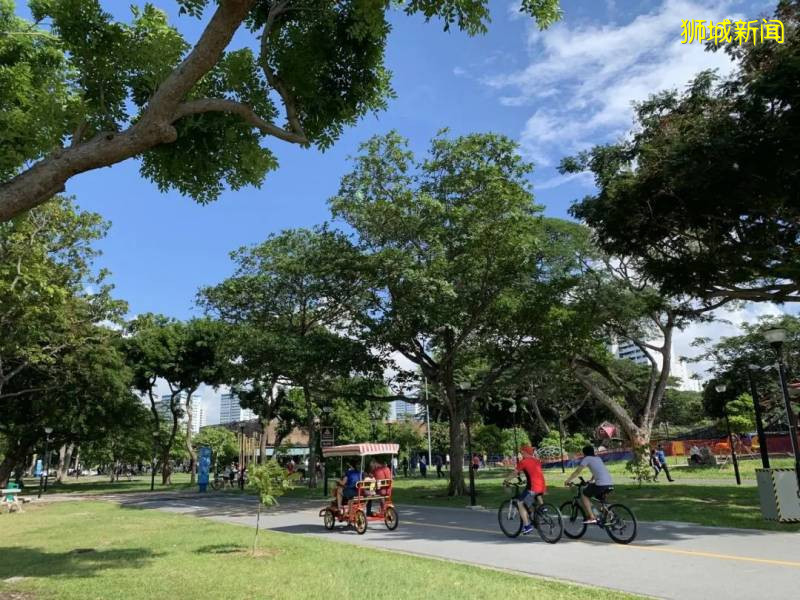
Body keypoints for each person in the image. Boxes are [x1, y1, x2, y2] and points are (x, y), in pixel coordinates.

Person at [564, 445, 614, 524]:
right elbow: (598, 470)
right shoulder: (598, 458)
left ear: (585, 453)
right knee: (601, 500)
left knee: (584, 494)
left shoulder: (587, 458)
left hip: (601, 484)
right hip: (609, 483)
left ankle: (592, 517)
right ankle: (609, 516)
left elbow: (577, 471)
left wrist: (568, 480)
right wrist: (591, 480)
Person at [503, 445, 546, 535]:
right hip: (542, 486)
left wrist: (506, 480)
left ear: (525, 452)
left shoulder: (524, 462)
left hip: (533, 487)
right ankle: (543, 510)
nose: (521, 454)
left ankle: (527, 526)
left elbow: (515, 473)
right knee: (530, 500)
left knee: (520, 503)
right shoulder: (537, 460)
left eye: (522, 452)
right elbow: (534, 473)